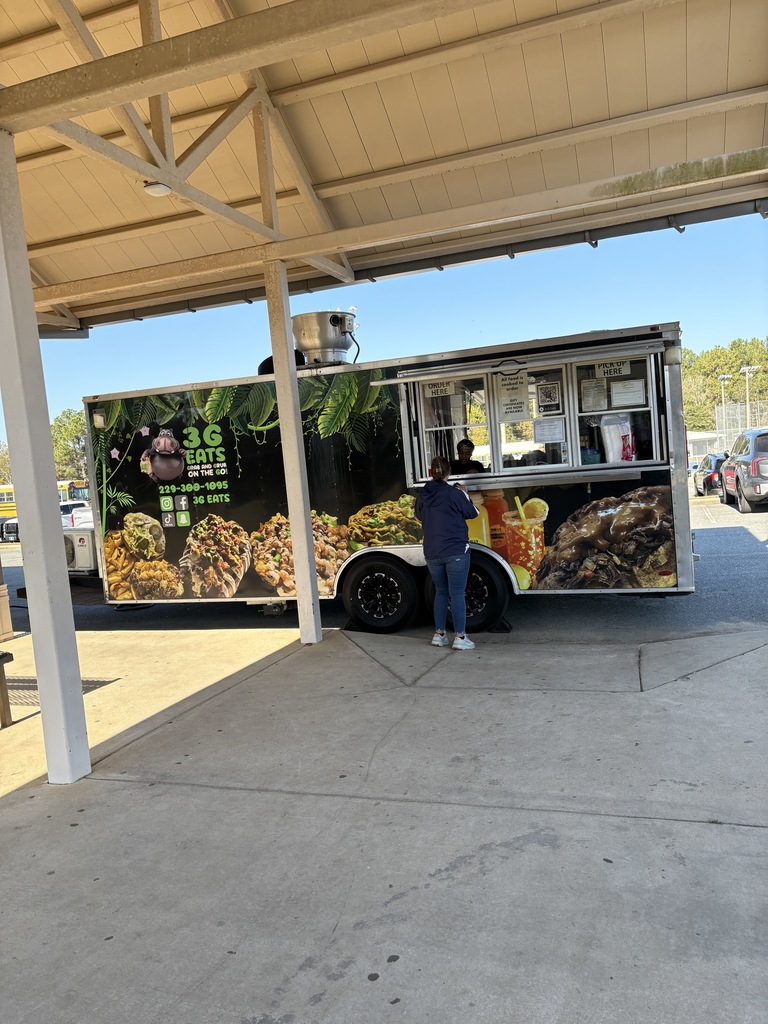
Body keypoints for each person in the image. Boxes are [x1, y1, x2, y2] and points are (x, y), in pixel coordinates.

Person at [415, 455, 478, 651]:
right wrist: (465, 495)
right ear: (448, 473)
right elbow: (473, 513)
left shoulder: (422, 495)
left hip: (432, 551)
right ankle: (460, 637)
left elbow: (419, 515)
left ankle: (439, 635)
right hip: (456, 550)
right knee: (457, 593)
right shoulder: (455, 493)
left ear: (430, 473)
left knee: (441, 591)